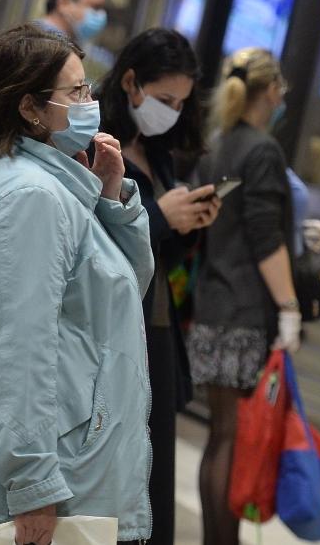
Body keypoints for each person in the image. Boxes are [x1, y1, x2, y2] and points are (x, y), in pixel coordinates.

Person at [0, 24, 155, 544]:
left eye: (87, 88)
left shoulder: (57, 186)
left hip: (75, 450)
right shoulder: (34, 199)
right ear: (30, 108)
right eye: (74, 92)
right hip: (65, 462)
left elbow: (120, 296)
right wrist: (33, 483)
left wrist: (111, 199)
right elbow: (20, 349)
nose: (89, 103)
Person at [97, 28, 220, 545]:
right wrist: (162, 217)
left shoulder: (158, 149)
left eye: (181, 103)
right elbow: (94, 240)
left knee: (155, 471)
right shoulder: (97, 147)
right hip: (116, 331)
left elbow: (159, 248)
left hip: (158, 326)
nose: (172, 112)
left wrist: (188, 224)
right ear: (131, 82)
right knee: (118, 468)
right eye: (165, 100)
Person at [190, 47, 301, 545]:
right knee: (235, 439)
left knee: (220, 435)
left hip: (212, 305)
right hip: (245, 313)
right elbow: (264, 237)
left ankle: (215, 539)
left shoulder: (218, 146)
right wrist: (289, 308)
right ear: (271, 90)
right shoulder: (263, 151)